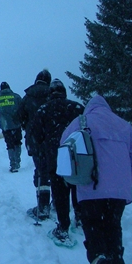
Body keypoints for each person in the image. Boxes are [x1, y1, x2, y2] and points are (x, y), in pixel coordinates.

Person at [61, 95, 132, 264]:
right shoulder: (123, 125)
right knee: (114, 225)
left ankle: (98, 258)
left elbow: (63, 146)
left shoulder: (80, 122)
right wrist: (130, 182)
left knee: (92, 223)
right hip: (119, 191)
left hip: (91, 185)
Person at [32, 79, 84, 245]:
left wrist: (42, 148)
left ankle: (63, 227)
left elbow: (37, 136)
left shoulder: (43, 110)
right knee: (77, 187)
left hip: (56, 157)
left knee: (60, 191)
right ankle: (81, 218)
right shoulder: (76, 108)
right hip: (77, 157)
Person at [17, 69, 52, 220]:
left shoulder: (28, 96)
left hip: (35, 140)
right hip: (54, 139)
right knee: (57, 171)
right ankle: (58, 202)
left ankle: (43, 206)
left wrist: (27, 125)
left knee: (41, 170)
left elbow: (18, 116)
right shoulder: (53, 94)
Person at [0, 82, 23, 172]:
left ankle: (13, 164)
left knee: (9, 144)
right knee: (17, 142)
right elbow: (22, 106)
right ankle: (17, 161)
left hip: (5, 125)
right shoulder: (15, 96)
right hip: (16, 123)